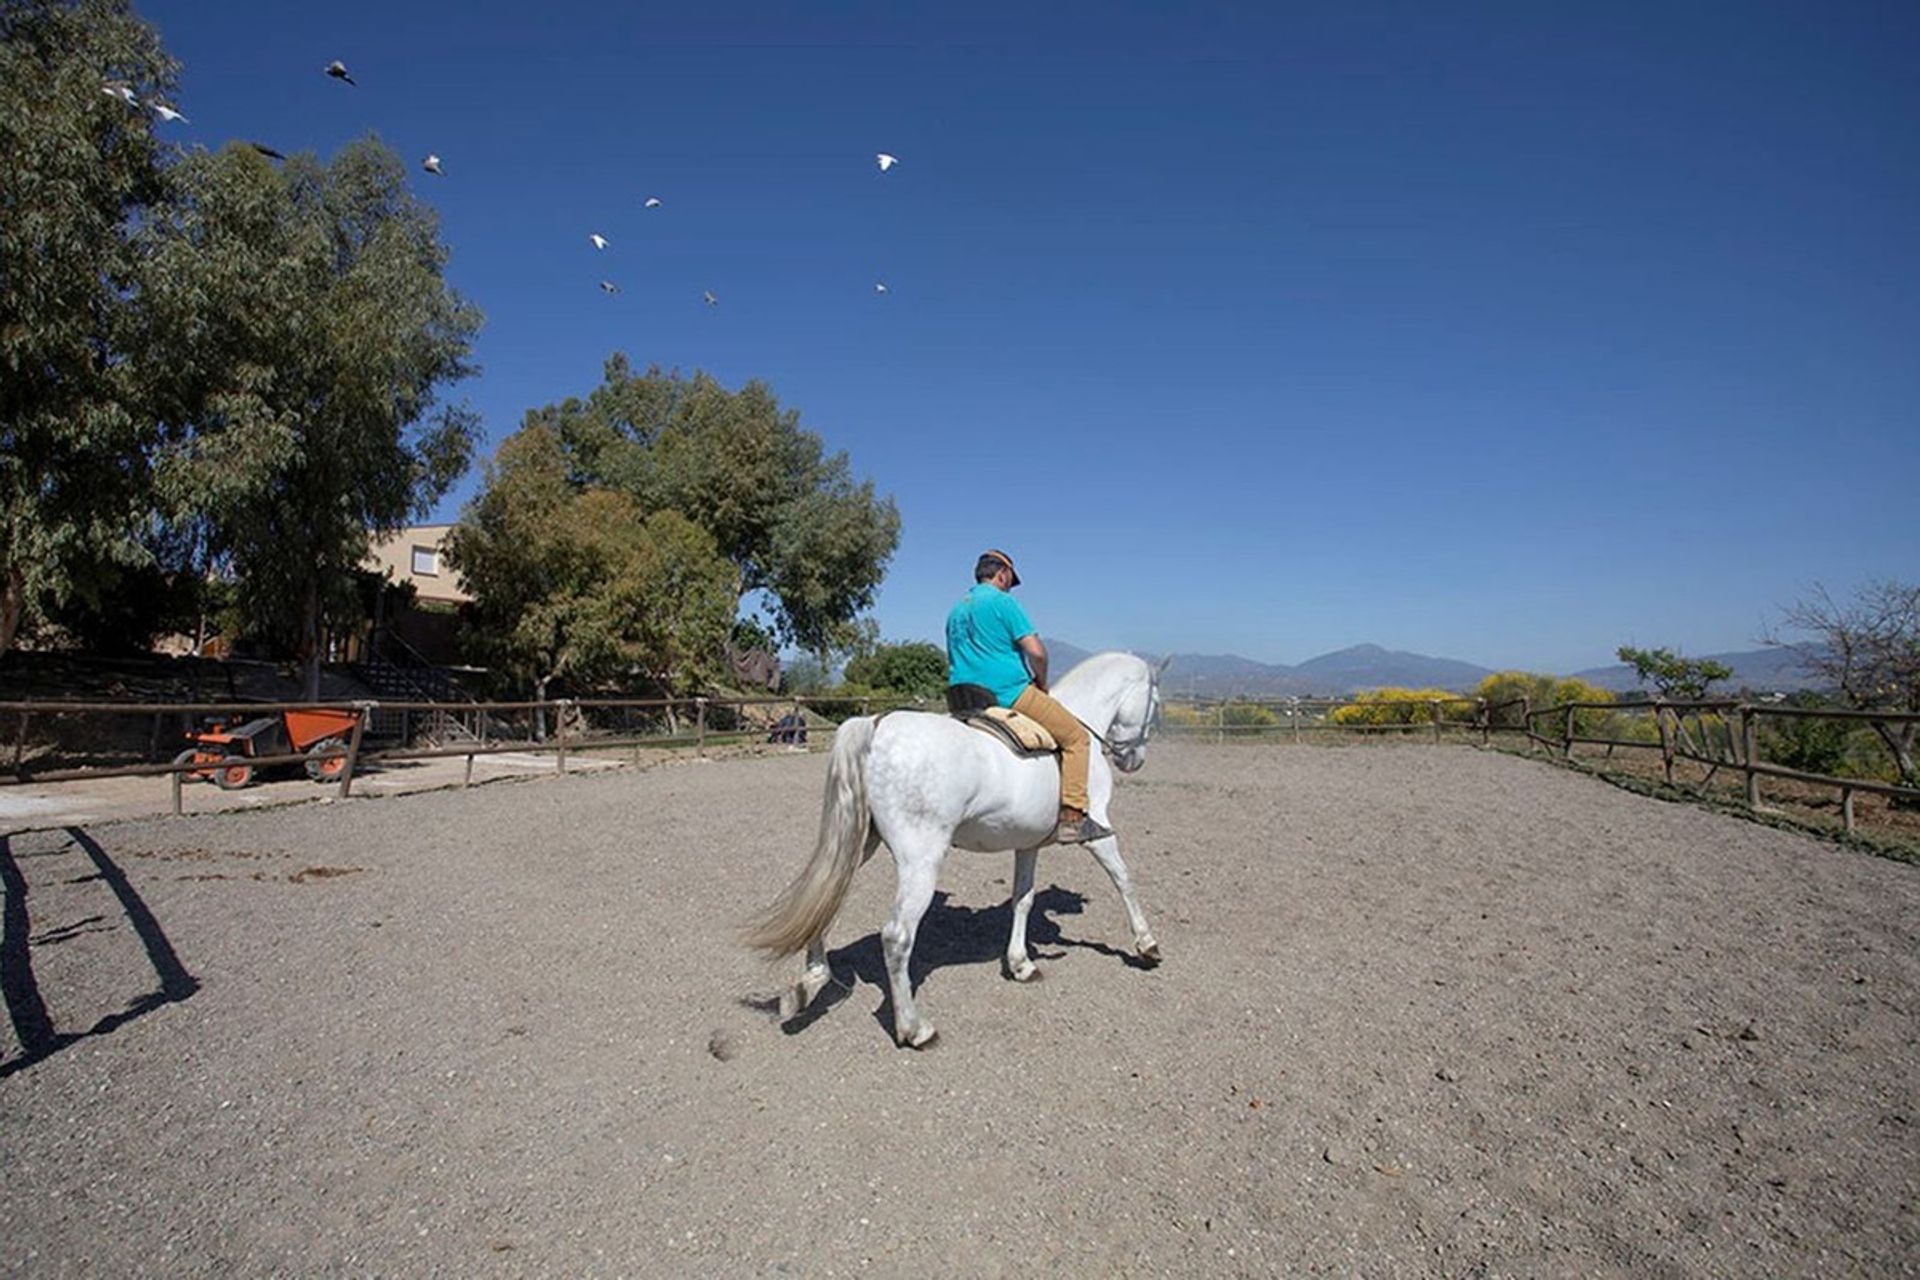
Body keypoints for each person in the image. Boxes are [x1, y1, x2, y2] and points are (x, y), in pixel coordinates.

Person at [944, 549, 1113, 845]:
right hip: (1005, 693)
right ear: (1002, 573)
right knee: (1076, 738)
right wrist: (1041, 682)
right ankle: (1073, 817)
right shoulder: (1004, 603)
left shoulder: (956, 611)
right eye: (1010, 579)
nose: (1010, 585)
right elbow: (1036, 651)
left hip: (962, 697)